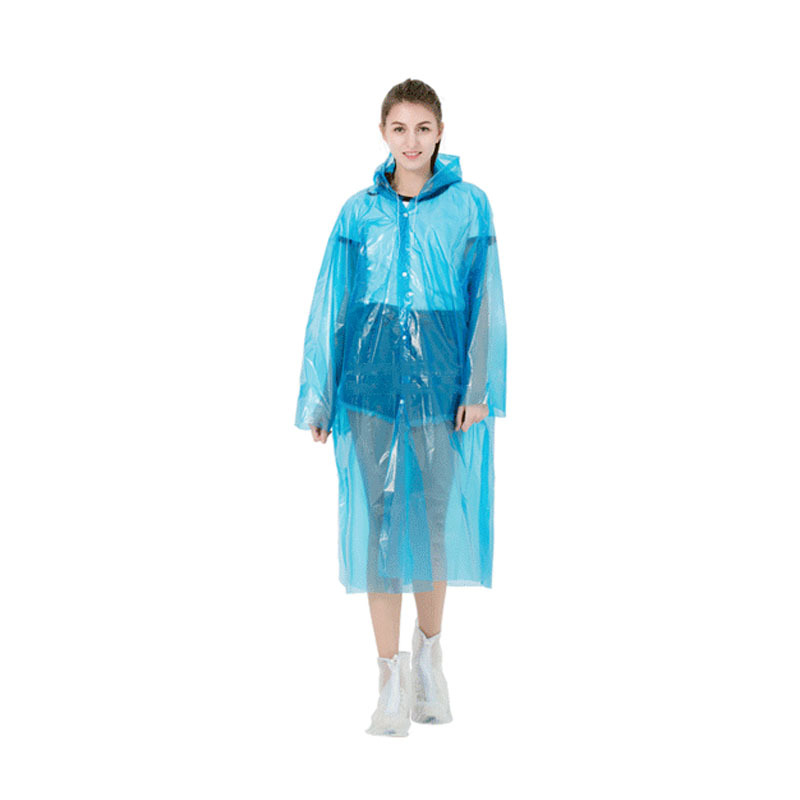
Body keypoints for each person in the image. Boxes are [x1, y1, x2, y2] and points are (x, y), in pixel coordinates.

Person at [295, 78, 507, 736]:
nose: (411, 141)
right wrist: (319, 392)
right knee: (382, 522)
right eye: (399, 128)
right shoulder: (358, 214)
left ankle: (430, 660)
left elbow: (485, 298)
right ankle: (389, 676)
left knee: (432, 522)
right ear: (383, 134)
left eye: (423, 128)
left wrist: (479, 388)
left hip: (441, 384)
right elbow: (332, 302)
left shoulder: (469, 206)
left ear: (440, 132)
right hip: (369, 382)